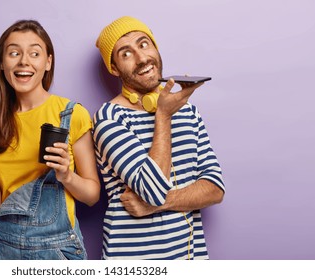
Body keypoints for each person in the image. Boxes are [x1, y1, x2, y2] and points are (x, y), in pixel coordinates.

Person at [0, 19, 100, 260]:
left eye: (34, 53)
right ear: (2, 64)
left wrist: (67, 175)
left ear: (48, 62)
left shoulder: (71, 114)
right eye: (14, 53)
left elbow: (92, 195)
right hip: (4, 250)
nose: (24, 61)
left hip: (58, 252)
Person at [93, 16, 225, 260]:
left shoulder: (188, 111)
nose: (142, 58)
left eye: (144, 44)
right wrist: (162, 115)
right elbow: (152, 190)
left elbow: (215, 189)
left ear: (155, 47)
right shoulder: (109, 118)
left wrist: (159, 205)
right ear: (114, 68)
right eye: (126, 53)